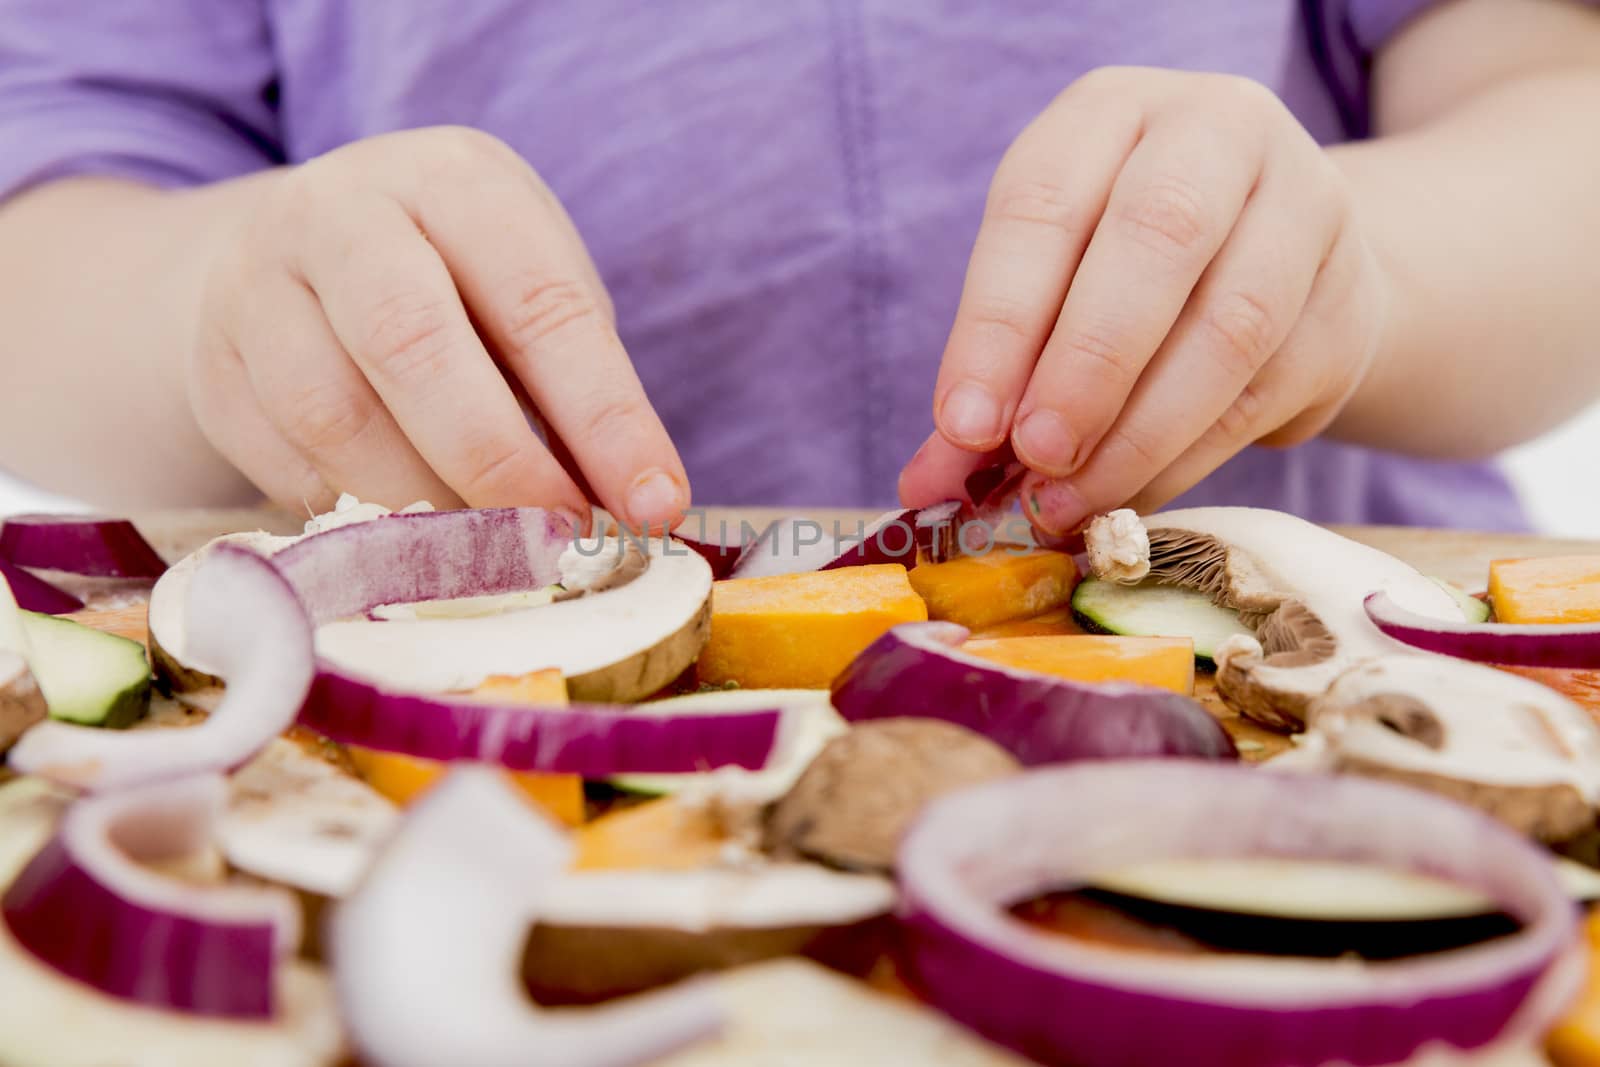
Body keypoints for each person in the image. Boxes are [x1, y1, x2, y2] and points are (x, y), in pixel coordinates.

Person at [0, 1, 1597, 538]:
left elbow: (1555, 124)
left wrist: (1353, 272)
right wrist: (215, 302)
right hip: (449, 754)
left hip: (1312, 725)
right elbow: (39, 244)